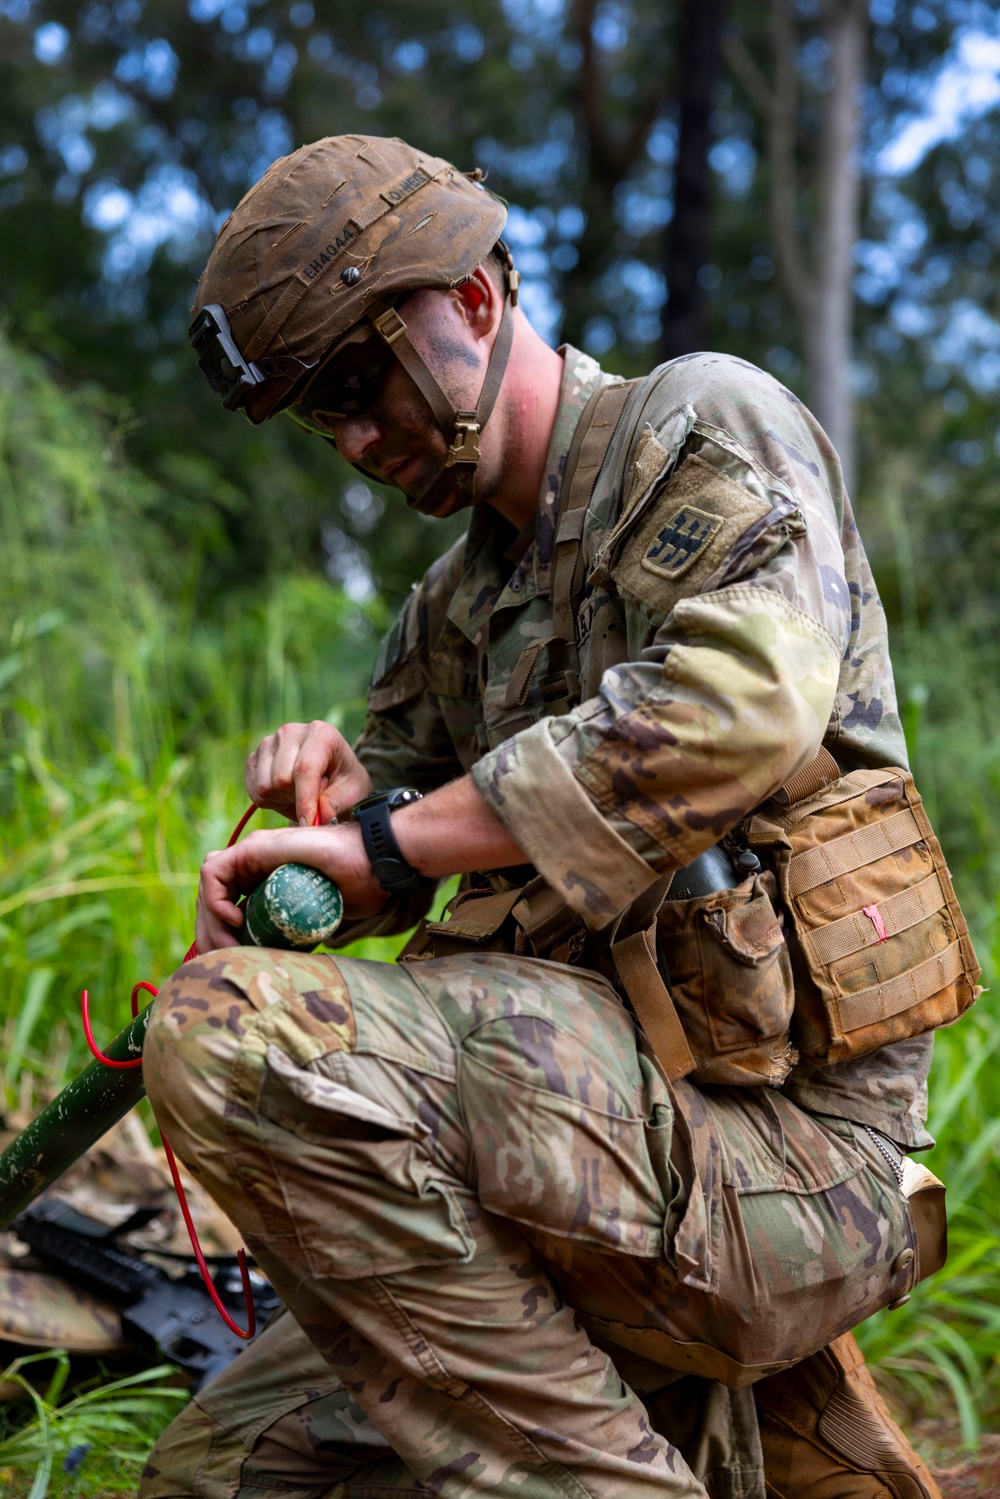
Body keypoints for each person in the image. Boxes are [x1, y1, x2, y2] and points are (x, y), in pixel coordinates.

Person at [138, 134, 968, 1499]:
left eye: (360, 382)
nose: (354, 440)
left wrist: (393, 842)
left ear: (471, 297)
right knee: (222, 1479)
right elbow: (382, 830)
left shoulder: (697, 425)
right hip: (590, 1161)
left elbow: (737, 708)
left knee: (232, 1037)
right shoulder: (456, 608)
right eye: (317, 416)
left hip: (789, 1170)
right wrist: (328, 822)